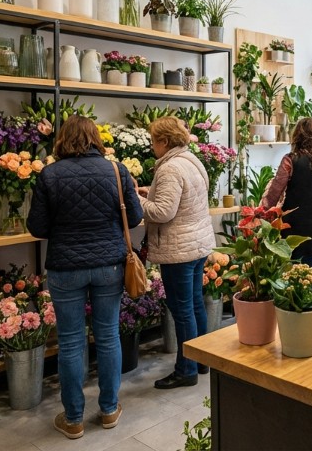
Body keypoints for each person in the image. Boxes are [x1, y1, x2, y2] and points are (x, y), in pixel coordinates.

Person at [28, 115, 143, 439]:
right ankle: (108, 410)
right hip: (109, 265)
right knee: (107, 336)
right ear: (96, 137)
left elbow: (37, 227)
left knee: (71, 342)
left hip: (65, 267)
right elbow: (134, 217)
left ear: (63, 139)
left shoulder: (49, 174)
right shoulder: (116, 171)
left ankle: (74, 418)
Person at [136, 116, 216, 389]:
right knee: (194, 304)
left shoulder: (170, 168)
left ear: (164, 141)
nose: (151, 146)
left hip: (178, 249)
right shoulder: (192, 161)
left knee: (182, 310)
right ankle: (201, 360)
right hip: (196, 244)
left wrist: (136, 198)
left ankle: (186, 370)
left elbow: (163, 211)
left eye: (153, 141)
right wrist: (152, 192)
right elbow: (182, 200)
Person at [260, 117, 312, 271]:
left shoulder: (290, 160)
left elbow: (275, 191)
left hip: (293, 228)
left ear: (297, 136)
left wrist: (262, 213)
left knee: (291, 276)